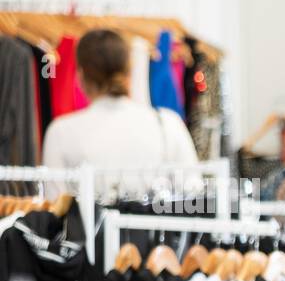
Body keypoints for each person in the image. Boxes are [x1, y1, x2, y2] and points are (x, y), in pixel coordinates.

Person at [42, 29, 198, 175]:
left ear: (80, 76)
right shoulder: (167, 124)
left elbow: (56, 201)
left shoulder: (61, 133)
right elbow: (193, 196)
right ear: (129, 71)